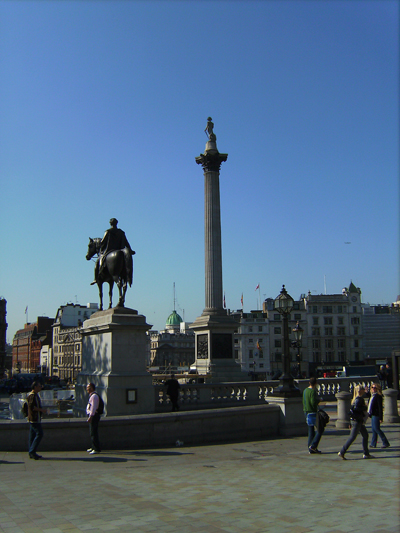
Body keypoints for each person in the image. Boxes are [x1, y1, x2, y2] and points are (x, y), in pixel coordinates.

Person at [92, 218, 135, 283]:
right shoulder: (121, 232)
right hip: (120, 250)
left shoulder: (108, 232)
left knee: (97, 263)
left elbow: (103, 242)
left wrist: (98, 245)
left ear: (110, 223)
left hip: (109, 250)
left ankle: (96, 279)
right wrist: (130, 250)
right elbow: (126, 242)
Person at [338, 384, 373, 460]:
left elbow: (353, 411)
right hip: (357, 421)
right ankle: (342, 451)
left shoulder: (355, 399)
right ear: (360, 391)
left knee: (365, 435)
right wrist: (365, 407)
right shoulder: (359, 399)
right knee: (352, 437)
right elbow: (356, 409)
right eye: (363, 389)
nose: (364, 390)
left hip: (356, 420)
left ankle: (366, 453)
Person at [27, 381, 48, 460]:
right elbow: (32, 407)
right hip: (34, 418)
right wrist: (42, 410)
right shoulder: (32, 396)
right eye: (39, 386)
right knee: (40, 434)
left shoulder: (33, 395)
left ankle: (31, 452)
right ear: (35, 387)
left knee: (32, 436)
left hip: (33, 418)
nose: (40, 388)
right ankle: (32, 451)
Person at [303, 377, 322, 454]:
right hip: (312, 412)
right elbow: (313, 402)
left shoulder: (305, 391)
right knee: (320, 429)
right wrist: (319, 400)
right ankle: (313, 446)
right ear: (315, 384)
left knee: (311, 430)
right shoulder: (313, 392)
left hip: (306, 411)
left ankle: (310, 447)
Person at [368, 383, 390, 449]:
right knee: (374, 430)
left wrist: (381, 418)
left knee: (377, 429)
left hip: (376, 415)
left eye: (375, 388)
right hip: (372, 414)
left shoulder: (378, 396)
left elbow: (380, 408)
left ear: (378, 389)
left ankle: (385, 442)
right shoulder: (372, 396)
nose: (373, 389)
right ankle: (373, 443)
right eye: (372, 387)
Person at [86, 383, 102, 454]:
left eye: (88, 387)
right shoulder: (92, 396)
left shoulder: (94, 396)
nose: (87, 389)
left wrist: (90, 417)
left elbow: (93, 407)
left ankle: (96, 448)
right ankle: (93, 447)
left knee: (93, 432)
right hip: (93, 415)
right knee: (92, 432)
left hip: (94, 416)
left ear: (92, 388)